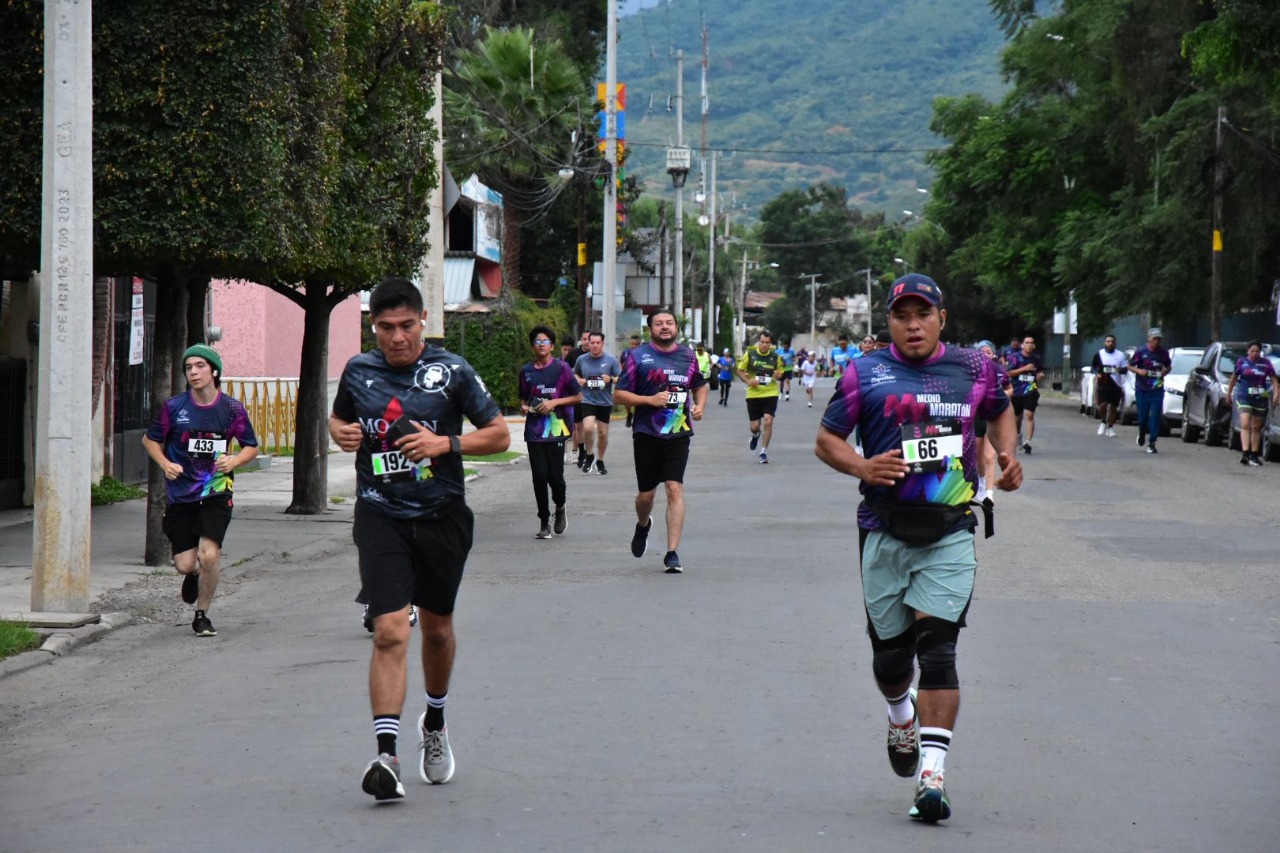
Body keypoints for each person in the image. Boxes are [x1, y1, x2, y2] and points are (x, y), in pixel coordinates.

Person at [814, 273, 1023, 823]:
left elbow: (1000, 409)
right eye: (901, 316)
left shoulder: (974, 367)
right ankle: (899, 713)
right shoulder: (864, 372)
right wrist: (863, 466)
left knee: (938, 652)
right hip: (883, 528)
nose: (913, 325)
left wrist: (1006, 454)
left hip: (949, 528)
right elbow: (827, 439)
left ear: (941, 319)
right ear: (888, 321)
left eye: (923, 314)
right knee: (891, 660)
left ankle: (932, 777)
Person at [329, 276, 510, 801]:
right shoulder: (359, 371)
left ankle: (434, 720)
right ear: (374, 327)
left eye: (406, 325)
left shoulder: (452, 371)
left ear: (422, 321)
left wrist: (444, 444)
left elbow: (499, 435)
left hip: (441, 517)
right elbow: (339, 420)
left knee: (437, 630)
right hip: (380, 515)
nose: (397, 337)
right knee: (389, 631)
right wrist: (338, 432)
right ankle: (386, 756)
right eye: (386, 327)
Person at [142, 344, 259, 638]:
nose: (193, 372)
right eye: (188, 368)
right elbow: (150, 440)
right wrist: (165, 463)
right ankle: (194, 574)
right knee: (185, 564)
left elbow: (251, 446)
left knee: (209, 554)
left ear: (214, 371)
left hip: (216, 490)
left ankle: (202, 615)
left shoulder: (231, 409)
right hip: (182, 494)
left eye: (200, 366)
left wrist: (235, 460)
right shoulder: (174, 407)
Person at [614, 308, 708, 574]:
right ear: (650, 329)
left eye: (669, 323)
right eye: (659, 324)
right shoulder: (637, 356)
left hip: (678, 432)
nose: (665, 327)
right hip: (647, 433)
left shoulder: (688, 356)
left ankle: (672, 553)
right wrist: (649, 400)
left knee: (674, 488)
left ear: (676, 327)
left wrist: (699, 406)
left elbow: (699, 385)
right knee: (646, 496)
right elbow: (619, 394)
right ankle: (643, 524)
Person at [520, 326, 583, 538]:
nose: (541, 345)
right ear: (532, 346)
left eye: (545, 341)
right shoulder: (526, 372)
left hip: (557, 428)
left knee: (555, 477)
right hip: (534, 430)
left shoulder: (562, 369)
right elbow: (523, 399)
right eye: (537, 341)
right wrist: (524, 408)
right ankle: (544, 522)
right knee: (539, 476)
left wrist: (554, 402)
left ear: (552, 346)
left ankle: (560, 507)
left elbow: (578, 396)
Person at [574, 331, 622, 475]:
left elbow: (621, 378)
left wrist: (611, 379)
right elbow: (575, 373)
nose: (595, 345)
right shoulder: (582, 359)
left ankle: (600, 460)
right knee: (588, 428)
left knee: (603, 434)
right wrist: (578, 379)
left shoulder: (611, 360)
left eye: (598, 343)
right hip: (588, 399)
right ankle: (589, 454)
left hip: (604, 401)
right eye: (592, 343)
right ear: (588, 343)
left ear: (603, 343)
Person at [1225, 340, 1278, 466]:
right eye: (1252, 351)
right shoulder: (1241, 362)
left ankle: (1254, 454)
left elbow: (1274, 380)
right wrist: (1229, 393)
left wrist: (1276, 395)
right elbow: (1233, 378)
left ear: (1260, 352)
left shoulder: (1266, 364)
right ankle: (1245, 453)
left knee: (1256, 427)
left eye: (1257, 351)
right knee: (1245, 423)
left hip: (1260, 397)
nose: (1254, 354)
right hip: (1244, 396)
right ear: (1248, 351)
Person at [737, 330, 785, 464]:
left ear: (771, 344)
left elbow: (780, 373)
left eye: (767, 343)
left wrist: (779, 375)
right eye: (762, 342)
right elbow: (740, 371)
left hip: (770, 392)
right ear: (758, 342)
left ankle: (763, 452)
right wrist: (748, 381)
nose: (764, 345)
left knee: (768, 421)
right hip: (754, 394)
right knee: (755, 426)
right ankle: (755, 435)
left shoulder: (775, 357)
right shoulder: (750, 354)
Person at [975, 341, 1013, 500]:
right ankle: (981, 481)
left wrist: (1000, 396)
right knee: (978, 456)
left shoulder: (1000, 371)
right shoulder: (971, 371)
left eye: (988, 352)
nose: (985, 355)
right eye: (981, 352)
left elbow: (1009, 389)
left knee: (989, 457)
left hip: (994, 416)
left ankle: (989, 494)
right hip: (976, 416)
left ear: (993, 355)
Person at [1130, 327, 1171, 454]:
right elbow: (1130, 366)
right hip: (1142, 389)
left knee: (1155, 415)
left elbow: (1168, 366)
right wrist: (1139, 371)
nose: (1157, 341)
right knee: (1143, 417)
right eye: (1154, 339)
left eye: (1159, 339)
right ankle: (1142, 433)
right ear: (1149, 339)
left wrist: (1165, 372)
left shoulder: (1163, 353)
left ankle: (1152, 442)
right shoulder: (1141, 351)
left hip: (1157, 389)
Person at [1005, 335, 1044, 453]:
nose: (1029, 345)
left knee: (1029, 414)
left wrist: (1040, 375)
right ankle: (1018, 435)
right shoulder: (1015, 357)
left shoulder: (1036, 358)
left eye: (1031, 343)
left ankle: (1028, 442)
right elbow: (1009, 373)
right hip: (1017, 391)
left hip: (1031, 390)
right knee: (1017, 417)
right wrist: (1024, 369)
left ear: (1034, 345)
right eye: (1027, 342)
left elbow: (1040, 371)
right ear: (1023, 345)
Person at [1091, 334, 1128, 438]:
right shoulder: (1099, 354)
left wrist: (1120, 370)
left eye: (1112, 342)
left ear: (1115, 343)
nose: (1110, 343)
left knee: (1113, 407)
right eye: (1108, 341)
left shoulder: (1120, 355)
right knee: (1102, 404)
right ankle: (1103, 422)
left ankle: (1110, 427)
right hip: (1103, 383)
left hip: (1116, 384)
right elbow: (1093, 367)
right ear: (1105, 343)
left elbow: (1125, 369)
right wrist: (1097, 374)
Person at [567, 331, 591, 467]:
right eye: (584, 339)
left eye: (589, 339)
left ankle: (589, 451)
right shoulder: (573, 355)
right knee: (578, 426)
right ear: (581, 340)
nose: (587, 342)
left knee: (589, 426)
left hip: (593, 396)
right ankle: (580, 451)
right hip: (577, 394)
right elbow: (565, 371)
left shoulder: (596, 355)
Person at [623, 334, 642, 428]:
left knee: (639, 399)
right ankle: (629, 414)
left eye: (636, 344)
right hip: (628, 379)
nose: (634, 346)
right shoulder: (626, 352)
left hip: (640, 379)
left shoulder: (643, 353)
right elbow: (622, 364)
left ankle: (638, 417)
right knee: (627, 399)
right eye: (632, 344)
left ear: (639, 344)